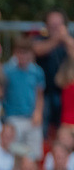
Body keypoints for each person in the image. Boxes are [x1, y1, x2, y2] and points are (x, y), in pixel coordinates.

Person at [2, 37, 46, 160]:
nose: (23, 56)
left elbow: (40, 95)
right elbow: (2, 93)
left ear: (31, 54)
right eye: (20, 52)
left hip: (32, 118)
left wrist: (38, 113)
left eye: (26, 53)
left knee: (34, 154)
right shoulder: (7, 70)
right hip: (13, 117)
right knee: (15, 153)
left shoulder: (37, 72)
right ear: (15, 53)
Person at [33, 9, 72, 139]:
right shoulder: (40, 38)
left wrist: (65, 39)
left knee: (64, 130)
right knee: (43, 130)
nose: (55, 27)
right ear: (46, 25)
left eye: (58, 24)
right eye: (52, 24)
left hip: (66, 94)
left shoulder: (69, 40)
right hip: (44, 93)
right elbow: (38, 50)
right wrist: (57, 39)